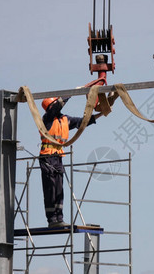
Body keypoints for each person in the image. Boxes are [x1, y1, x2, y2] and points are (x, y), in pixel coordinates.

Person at [39, 96, 101, 228]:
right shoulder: (47, 119)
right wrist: (71, 94)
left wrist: (101, 114)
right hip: (47, 157)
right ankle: (52, 220)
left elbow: (83, 122)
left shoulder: (65, 120)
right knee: (51, 188)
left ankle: (59, 218)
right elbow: (56, 107)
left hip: (58, 157)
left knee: (60, 189)